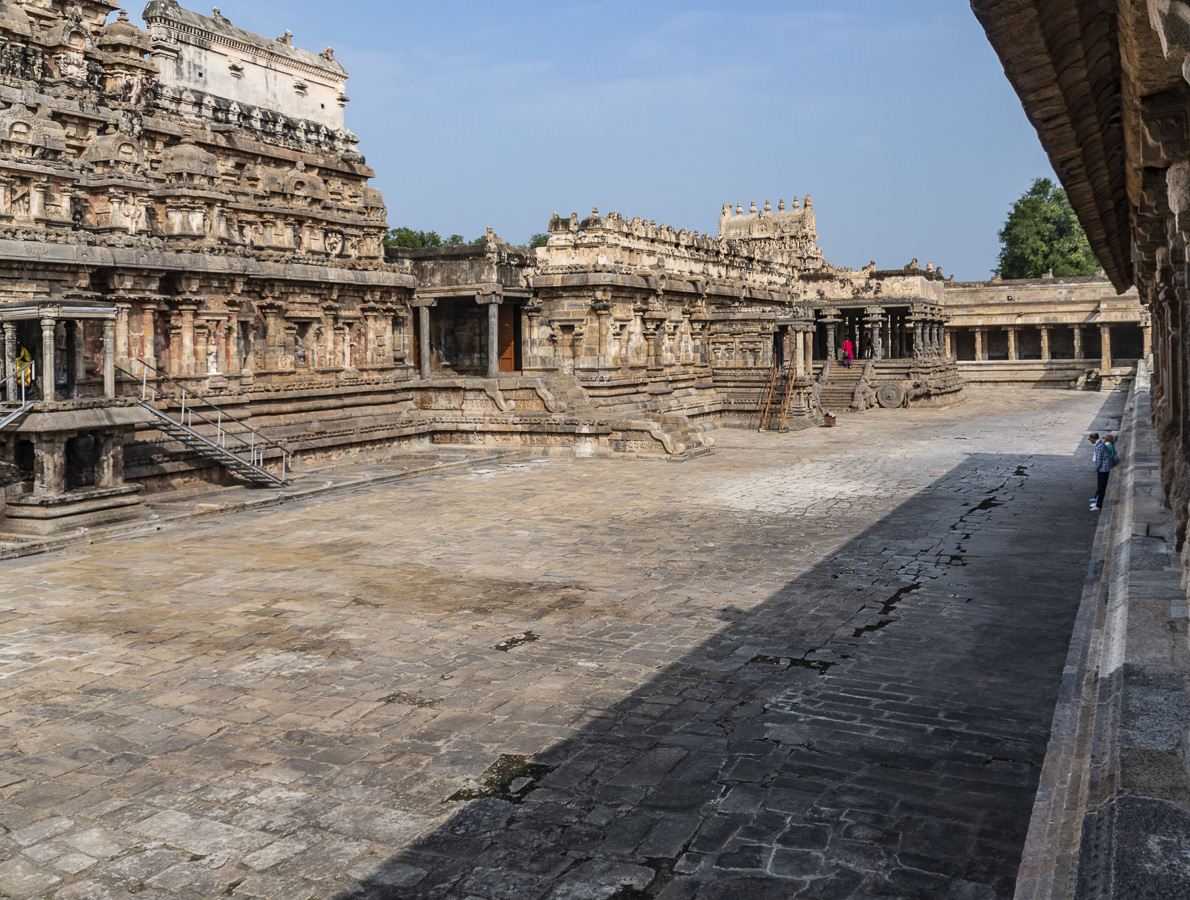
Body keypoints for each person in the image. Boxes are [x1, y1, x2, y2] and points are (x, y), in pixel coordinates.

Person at [1089, 432, 1115, 511]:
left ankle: (1098, 505)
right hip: (1105, 468)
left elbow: (1099, 460)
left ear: (1093, 439)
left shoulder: (1099, 446)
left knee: (1101, 487)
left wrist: (1097, 469)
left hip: (1103, 469)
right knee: (1101, 487)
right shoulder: (1100, 444)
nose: (1090, 441)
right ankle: (1097, 502)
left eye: (1090, 439)